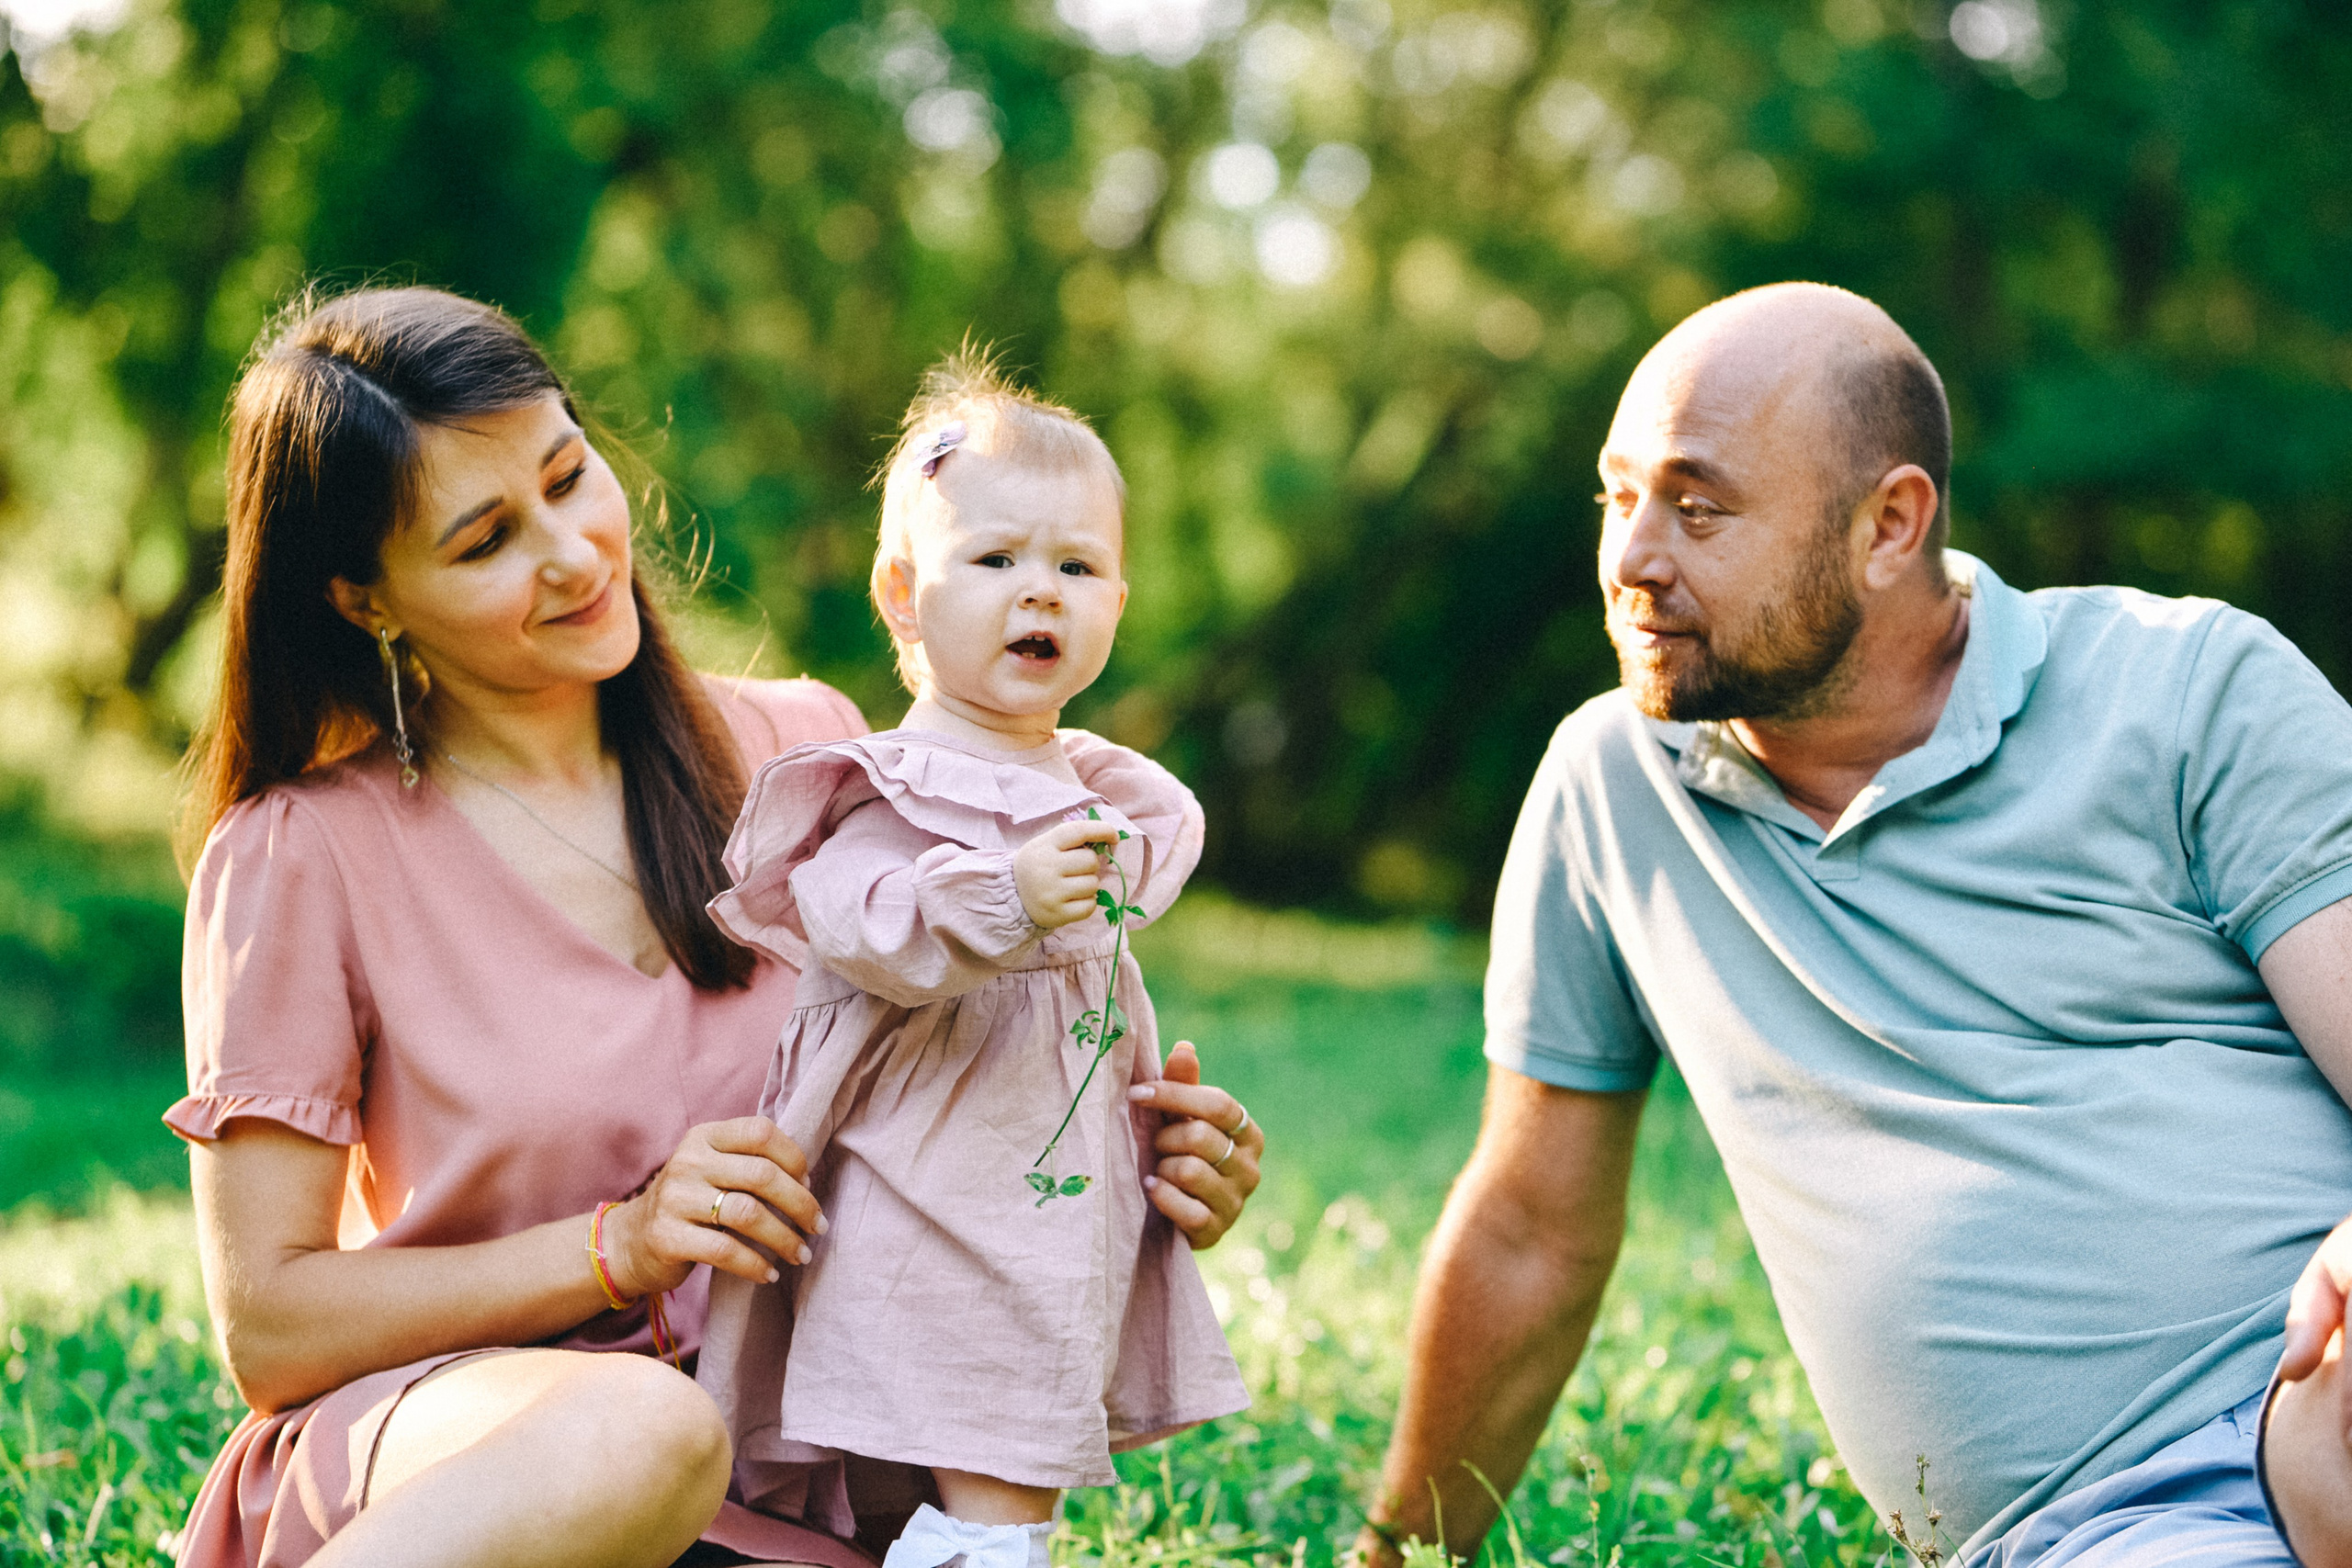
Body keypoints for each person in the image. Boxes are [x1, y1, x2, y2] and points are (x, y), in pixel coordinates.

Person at [167, 286, 1264, 1568]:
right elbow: (273, 1326)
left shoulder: (816, 757)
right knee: (642, 1431)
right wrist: (617, 1247)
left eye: (570, 477)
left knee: (689, 1444)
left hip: (775, 1507)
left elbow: (948, 1109)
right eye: (487, 542)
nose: (575, 553)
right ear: (367, 599)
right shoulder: (303, 856)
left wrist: (1123, 1163)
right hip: (463, 1470)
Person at [1362, 281, 2352, 1568]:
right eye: (1617, 498)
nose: (1631, 559)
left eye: (1699, 508)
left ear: (1892, 524)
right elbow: (1531, 1230)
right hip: (2113, 1528)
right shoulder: (1614, 788)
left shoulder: (2185, 687)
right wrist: (1387, 1556)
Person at [692, 353, 1249, 1568]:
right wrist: (1004, 896)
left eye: (1076, 567)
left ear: (1118, 599)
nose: (1037, 593)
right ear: (903, 591)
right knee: (997, 1466)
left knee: (1005, 1453)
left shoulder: (1094, 790)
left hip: (1048, 1187)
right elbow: (860, 921)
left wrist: (1157, 1112)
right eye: (995, 560)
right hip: (921, 1186)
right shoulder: (887, 782)